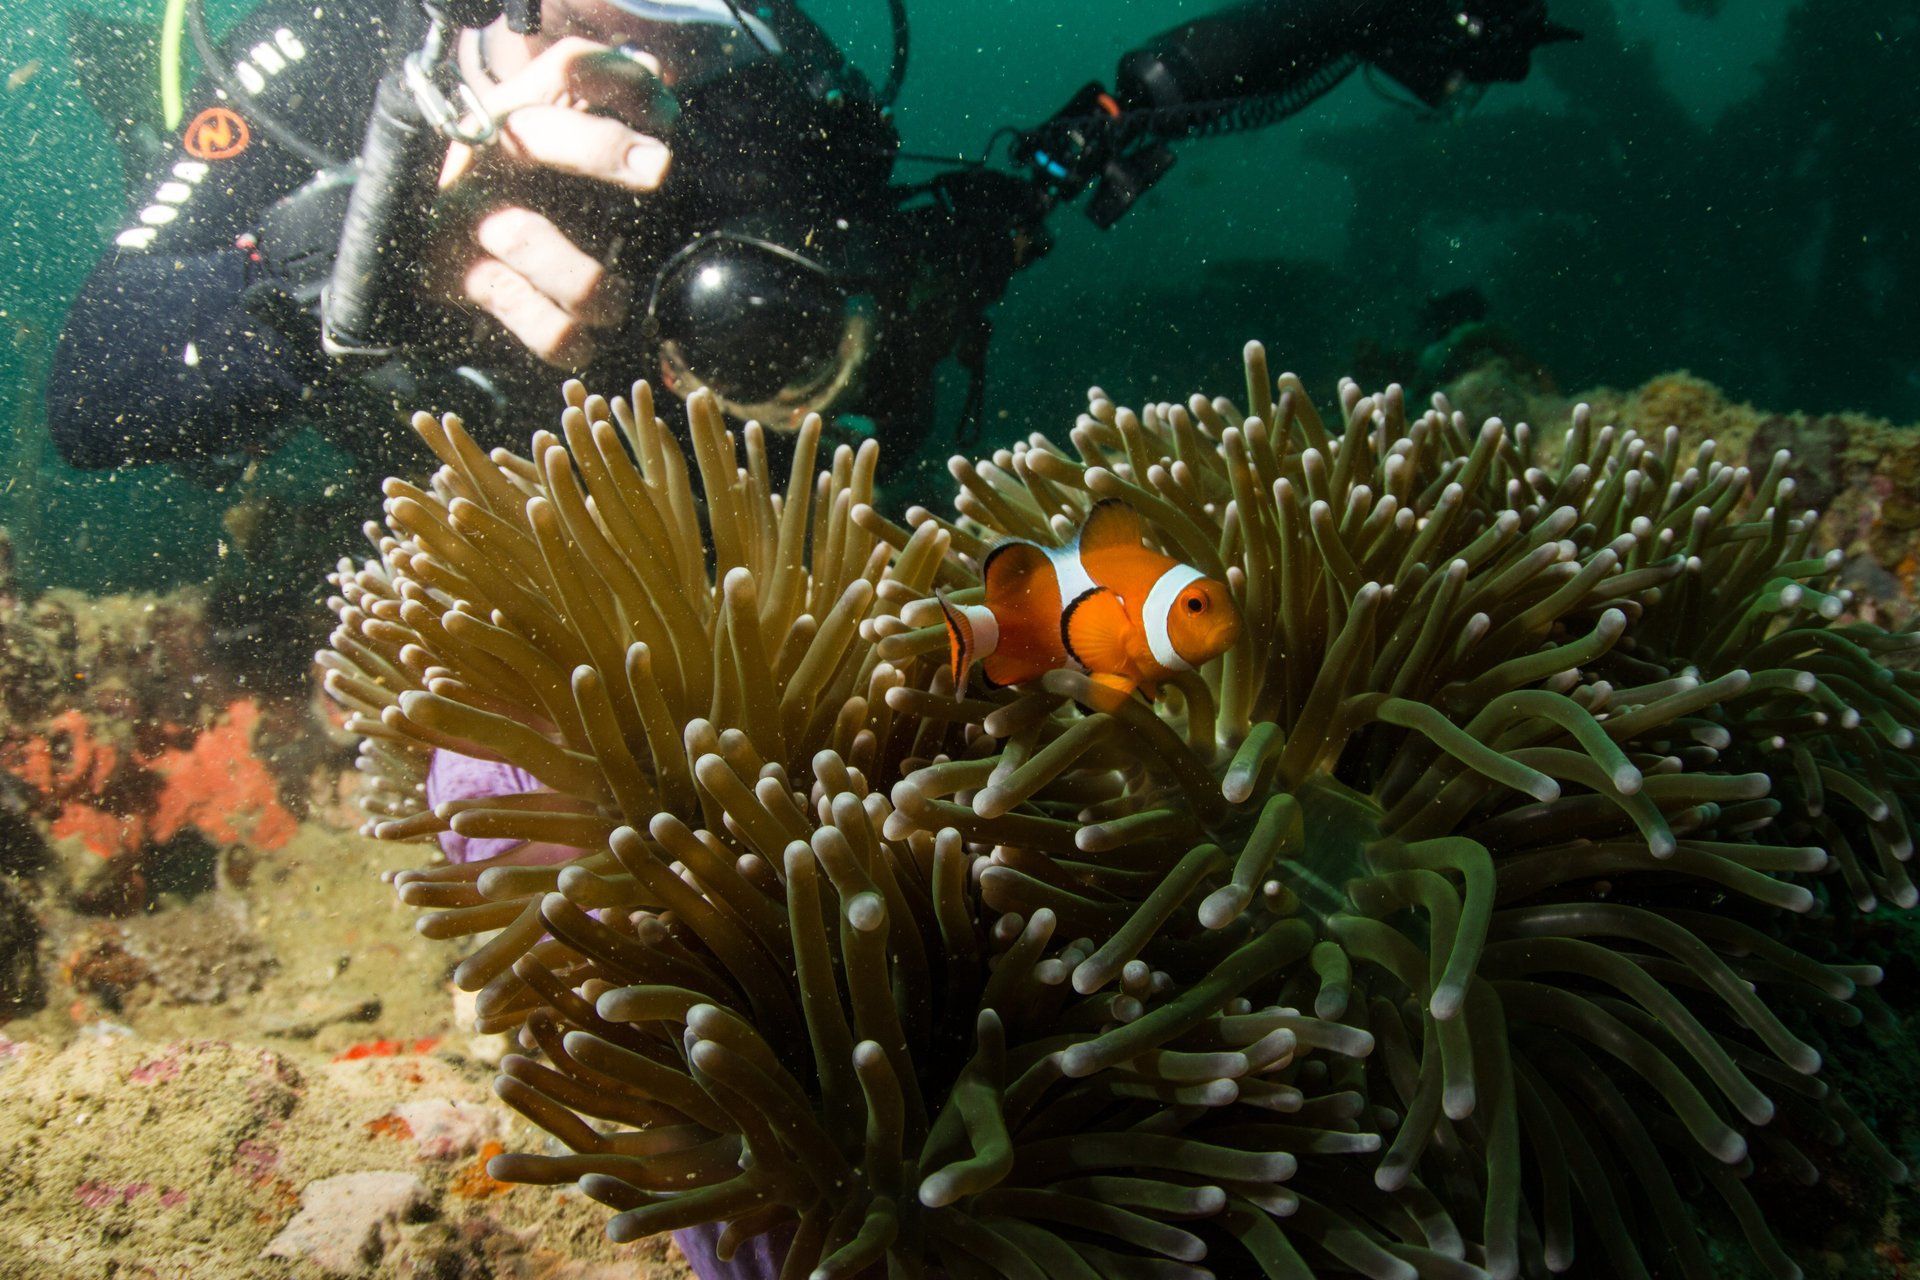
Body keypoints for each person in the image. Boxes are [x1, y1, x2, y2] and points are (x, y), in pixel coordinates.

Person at [47, 0, 1576, 482]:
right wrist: (372, 244)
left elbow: (909, 299)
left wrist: (1203, 72)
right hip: (387, 452)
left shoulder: (772, 88)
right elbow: (93, 397)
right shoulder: (325, 55)